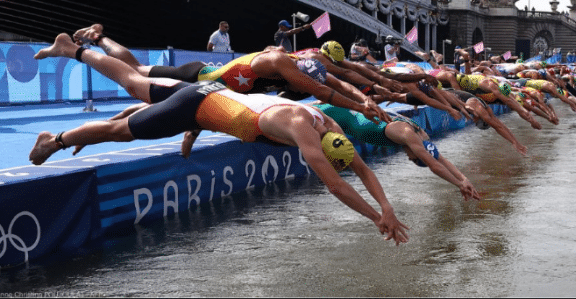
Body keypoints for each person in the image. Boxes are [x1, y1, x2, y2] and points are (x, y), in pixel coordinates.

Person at [31, 34, 410, 245]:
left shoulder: (325, 123)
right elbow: (337, 185)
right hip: (196, 106)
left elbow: (357, 166)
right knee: (119, 128)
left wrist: (386, 207)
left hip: (209, 96)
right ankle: (55, 139)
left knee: (134, 83)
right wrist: (376, 216)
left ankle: (74, 50)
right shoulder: (302, 128)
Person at [72, 24, 390, 123]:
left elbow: (335, 81)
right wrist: (362, 105)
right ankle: (97, 38)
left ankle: (114, 120)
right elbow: (323, 90)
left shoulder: (297, 59)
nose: (301, 87)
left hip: (212, 84)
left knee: (147, 91)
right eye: (301, 82)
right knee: (135, 74)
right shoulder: (283, 63)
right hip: (202, 76)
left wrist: (364, 98)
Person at [315, 104, 480, 200]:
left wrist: (464, 179)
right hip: (333, 114)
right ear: (418, 152)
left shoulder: (422, 136)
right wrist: (458, 184)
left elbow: (439, 159)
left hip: (342, 114)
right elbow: (434, 165)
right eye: (415, 160)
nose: (410, 159)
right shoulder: (408, 134)